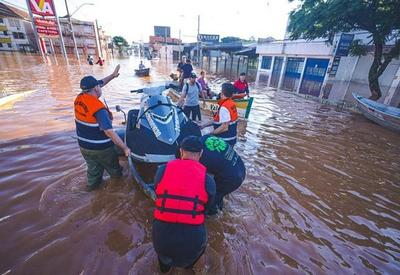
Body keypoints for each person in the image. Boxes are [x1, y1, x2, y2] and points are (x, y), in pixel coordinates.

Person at [152, 136, 216, 273]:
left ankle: (165, 269)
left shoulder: (162, 170)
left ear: (181, 152)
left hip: (162, 234)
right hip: (192, 238)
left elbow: (158, 193)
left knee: (164, 263)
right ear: (201, 154)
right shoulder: (208, 179)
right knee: (188, 263)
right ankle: (187, 267)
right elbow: (206, 208)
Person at [74, 65, 131, 191]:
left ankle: (91, 191)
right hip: (101, 149)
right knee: (116, 173)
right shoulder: (98, 109)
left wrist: (112, 75)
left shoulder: (80, 98)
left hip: (84, 147)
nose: (101, 87)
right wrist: (125, 148)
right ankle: (117, 192)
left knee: (93, 173)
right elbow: (109, 132)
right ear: (95, 88)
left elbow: (101, 83)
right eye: (98, 86)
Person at [198, 135, 246, 215]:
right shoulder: (206, 137)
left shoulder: (203, 158)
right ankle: (220, 208)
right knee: (218, 193)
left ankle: (215, 218)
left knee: (211, 199)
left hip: (233, 178)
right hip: (241, 167)